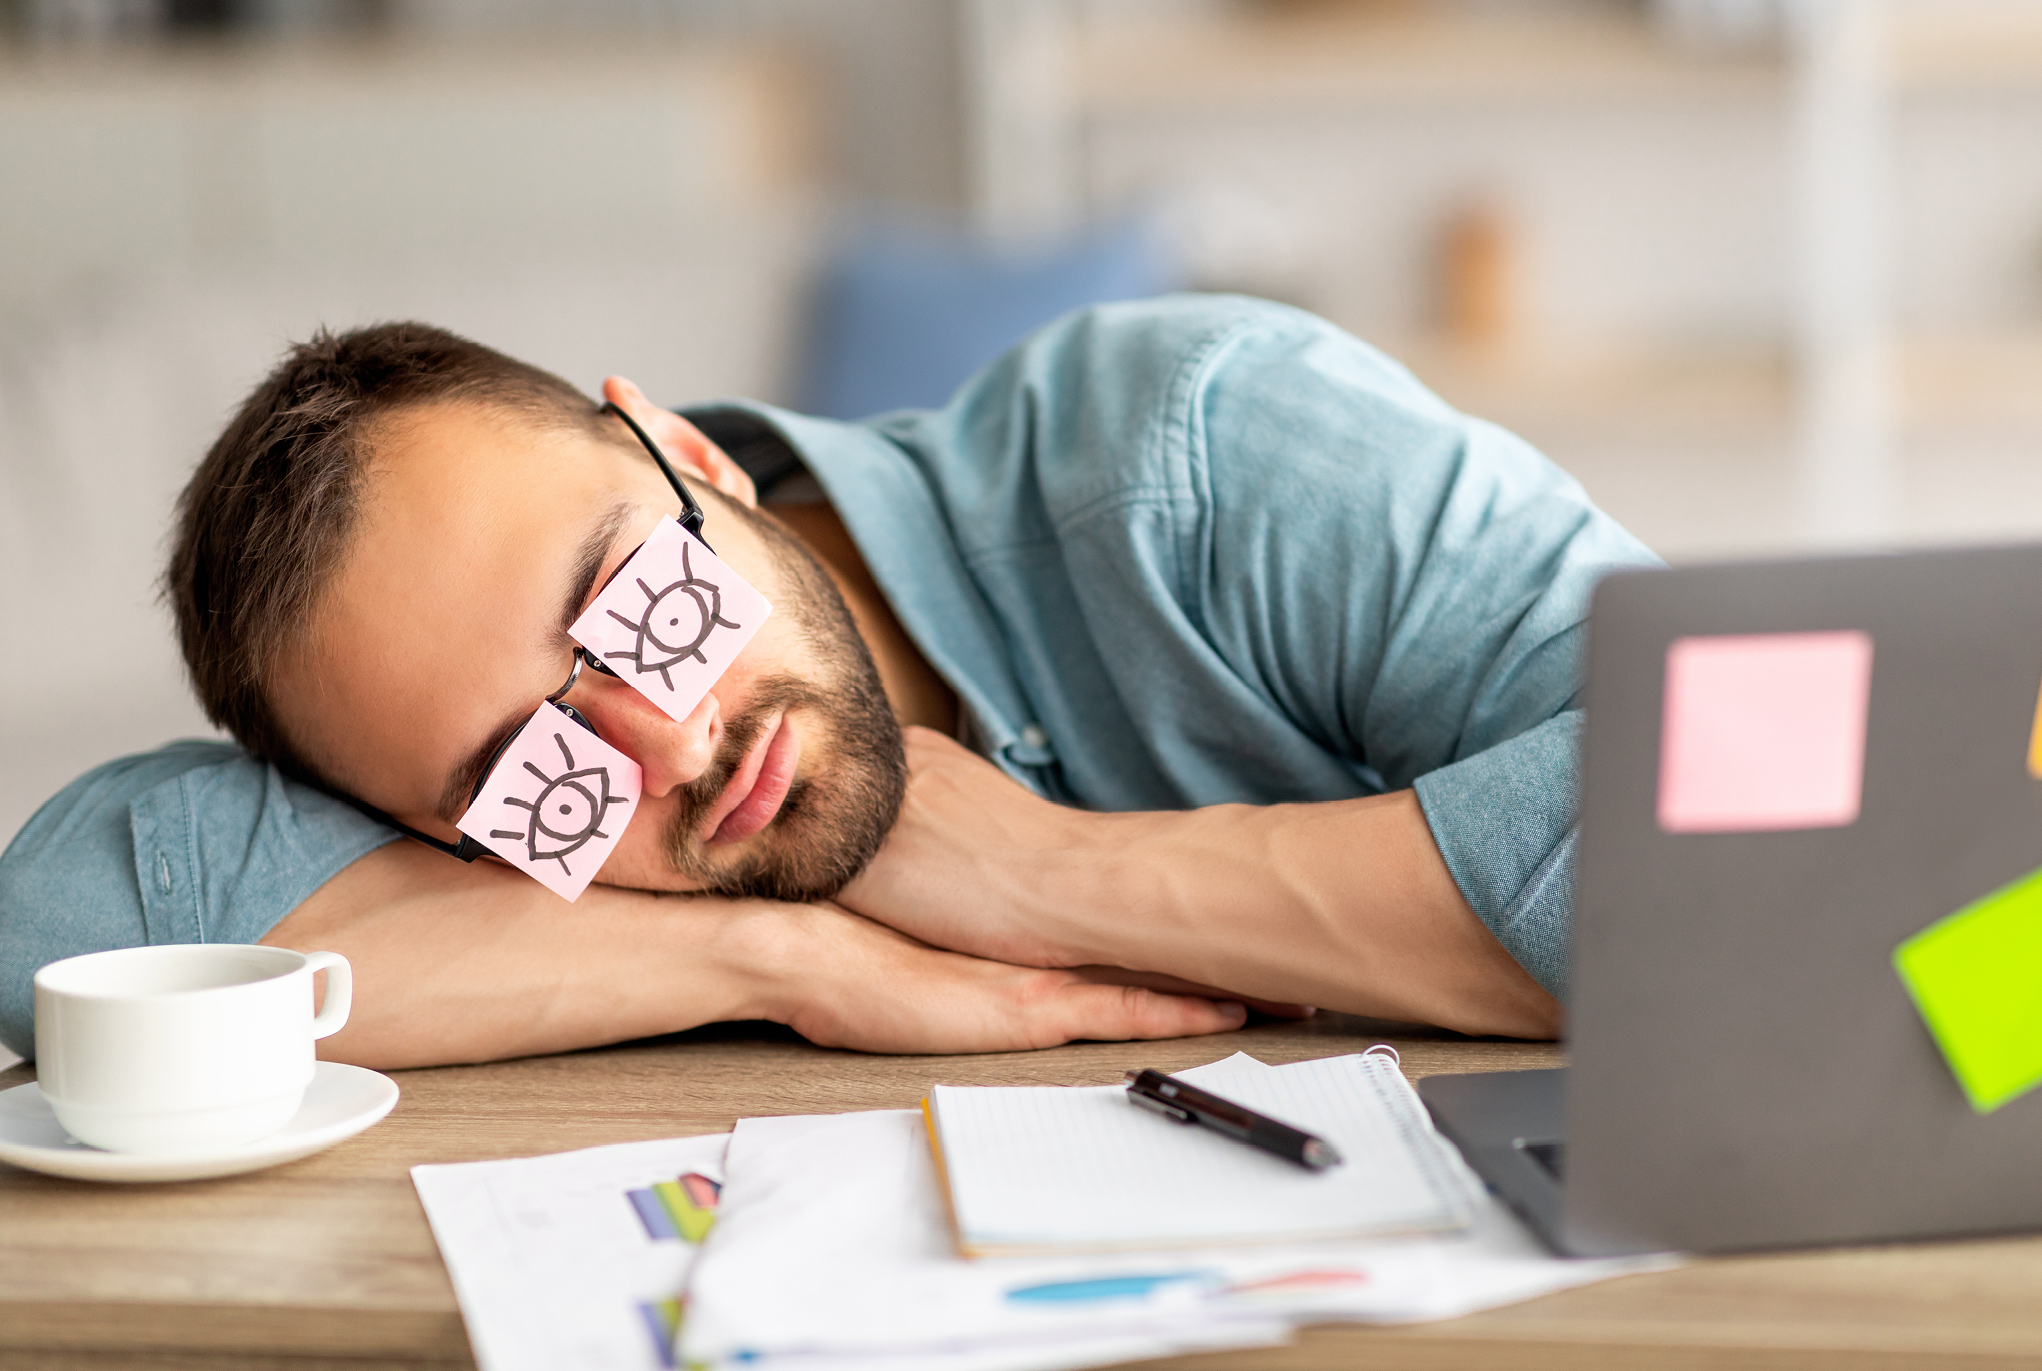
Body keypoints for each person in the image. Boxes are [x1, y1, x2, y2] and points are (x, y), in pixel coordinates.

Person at [0, 295, 1656, 1066]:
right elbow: (51, 935)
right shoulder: (528, 850)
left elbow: (1788, 813)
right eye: (531, 773)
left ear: (692, 457)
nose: (662, 744)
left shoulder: (1191, 451)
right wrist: (774, 951)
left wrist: (1051, 874)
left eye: (626, 601)